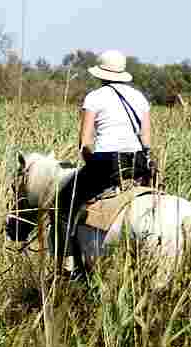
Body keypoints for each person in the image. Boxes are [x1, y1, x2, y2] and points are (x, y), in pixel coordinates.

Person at [54, 49, 153, 274]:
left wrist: (91, 163)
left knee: (63, 203)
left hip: (106, 162)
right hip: (137, 162)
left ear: (100, 74)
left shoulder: (95, 97)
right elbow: (146, 140)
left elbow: (84, 142)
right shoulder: (139, 97)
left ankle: (68, 263)